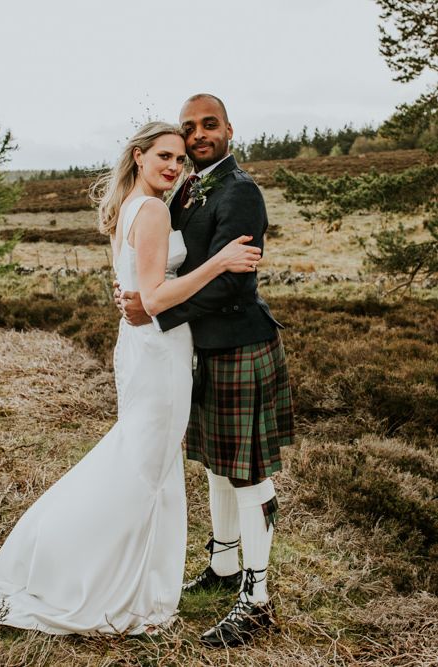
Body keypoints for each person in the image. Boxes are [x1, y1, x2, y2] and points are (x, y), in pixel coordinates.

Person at [0, 121, 262, 635]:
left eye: (179, 160)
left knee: (144, 460)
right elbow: (152, 298)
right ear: (139, 157)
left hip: (147, 348)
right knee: (144, 469)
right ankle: (103, 584)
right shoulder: (148, 212)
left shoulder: (133, 205)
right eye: (163, 156)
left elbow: (132, 290)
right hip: (159, 352)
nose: (173, 166)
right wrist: (220, 261)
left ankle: (122, 575)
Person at [116, 94, 295, 647]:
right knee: (218, 464)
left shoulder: (240, 190)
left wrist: (156, 308)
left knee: (247, 471)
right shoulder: (190, 186)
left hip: (242, 345)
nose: (197, 135)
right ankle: (222, 566)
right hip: (205, 348)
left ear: (229, 130)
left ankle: (257, 599)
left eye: (208, 125)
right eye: (189, 127)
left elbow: (231, 280)